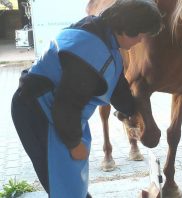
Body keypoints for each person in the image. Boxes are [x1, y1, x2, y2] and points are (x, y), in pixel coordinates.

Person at [11, 0, 162, 197]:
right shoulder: (90, 50)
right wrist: (74, 143)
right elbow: (66, 106)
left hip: (57, 110)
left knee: (71, 181)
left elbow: (117, 86)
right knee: (62, 182)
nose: (140, 41)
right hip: (37, 112)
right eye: (141, 35)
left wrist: (133, 112)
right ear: (129, 29)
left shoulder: (102, 32)